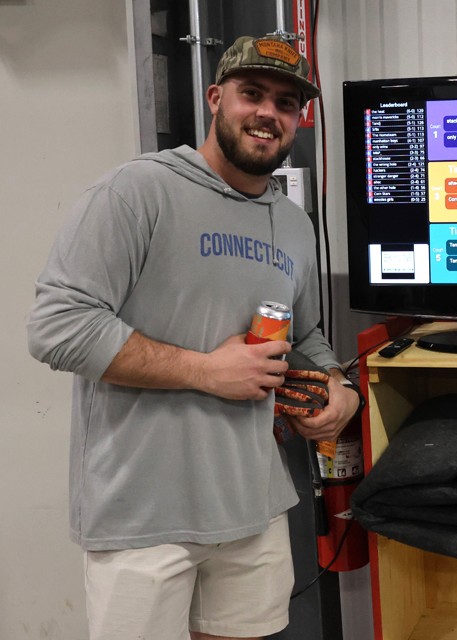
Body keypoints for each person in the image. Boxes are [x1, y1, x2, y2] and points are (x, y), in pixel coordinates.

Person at [26, 35, 362, 640]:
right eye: (251, 94)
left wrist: (340, 390)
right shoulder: (136, 193)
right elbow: (58, 325)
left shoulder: (291, 222)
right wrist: (205, 370)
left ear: (298, 119)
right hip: (142, 516)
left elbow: (306, 333)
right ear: (215, 98)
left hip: (252, 508)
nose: (268, 113)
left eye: (286, 103)